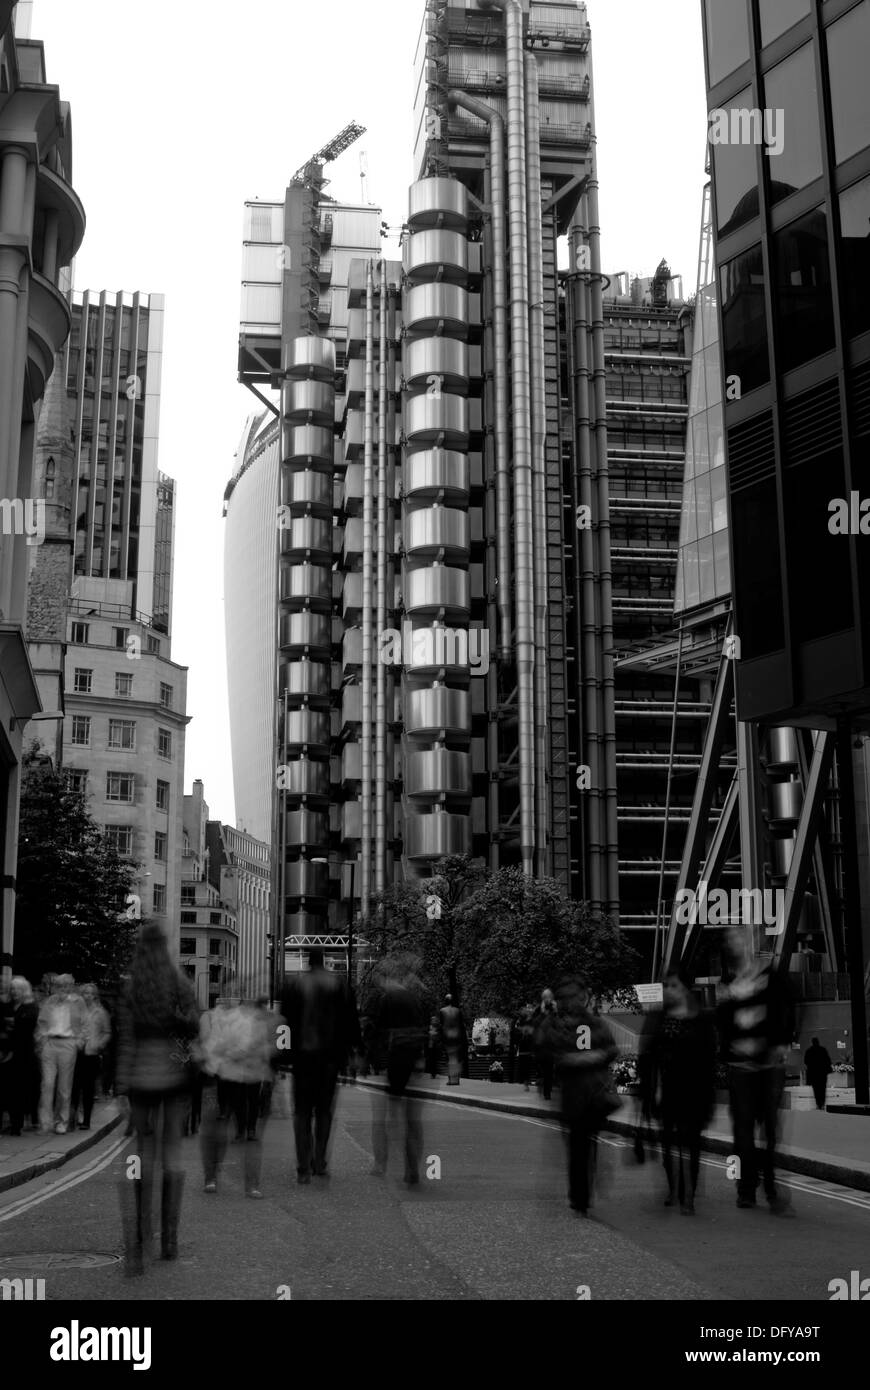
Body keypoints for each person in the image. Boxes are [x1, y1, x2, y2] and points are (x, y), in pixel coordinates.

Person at [115, 925, 200, 1275]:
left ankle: (138, 1241)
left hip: (138, 1078)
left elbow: (124, 1037)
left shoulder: (132, 985)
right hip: (171, 1072)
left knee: (140, 1158)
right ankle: (170, 1240)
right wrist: (174, 1021)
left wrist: (121, 1083)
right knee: (173, 1156)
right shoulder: (178, 982)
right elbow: (195, 1024)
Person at [717, 925, 795, 1215]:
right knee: (743, 1132)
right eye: (732, 940)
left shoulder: (772, 978)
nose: (736, 944)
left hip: (767, 1067)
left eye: (741, 938)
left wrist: (780, 1043)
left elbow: (789, 1010)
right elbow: (723, 1026)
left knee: (771, 1132)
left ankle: (772, 1187)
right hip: (741, 1069)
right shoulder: (728, 983)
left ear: (753, 942)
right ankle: (746, 1189)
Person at [536, 975, 618, 1216]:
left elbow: (611, 1048)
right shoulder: (556, 1023)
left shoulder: (594, 1023)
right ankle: (579, 1196)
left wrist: (593, 1057)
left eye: (577, 996)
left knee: (584, 1143)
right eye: (569, 997)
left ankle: (581, 1194)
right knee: (577, 1145)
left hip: (593, 1093)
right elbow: (542, 1049)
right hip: (572, 1095)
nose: (574, 1001)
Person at [640, 967, 717, 1214]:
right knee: (668, 1144)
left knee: (691, 1143)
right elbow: (648, 1056)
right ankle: (674, 1188)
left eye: (672, 985)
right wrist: (648, 1092)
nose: (667, 990)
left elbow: (709, 1061)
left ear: (684, 988)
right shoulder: (659, 1017)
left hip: (694, 1091)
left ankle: (689, 1195)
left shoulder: (701, 1019)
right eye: (665, 985)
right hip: (668, 1089)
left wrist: (710, 1100)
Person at [280, 948, 360, 1184]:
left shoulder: (294, 985)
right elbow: (350, 1022)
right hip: (329, 1059)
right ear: (324, 960)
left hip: (302, 1058)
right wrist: (351, 1057)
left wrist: (282, 1055)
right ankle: (320, 1161)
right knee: (324, 1112)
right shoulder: (339, 985)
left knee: (302, 1112)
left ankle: (303, 1166)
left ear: (307, 962)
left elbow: (284, 1024)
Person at [198, 986, 276, 1198]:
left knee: (250, 1138)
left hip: (248, 1078)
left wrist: (266, 1072)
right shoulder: (222, 1020)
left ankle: (251, 1185)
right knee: (219, 1130)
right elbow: (214, 1045)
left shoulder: (259, 1023)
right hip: (225, 1077)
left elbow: (266, 1049)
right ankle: (212, 1177)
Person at [365, 956, 428, 1184]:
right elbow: (425, 1029)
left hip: (392, 1063)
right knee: (413, 1120)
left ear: (385, 977)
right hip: (414, 1062)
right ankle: (412, 1167)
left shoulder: (386, 998)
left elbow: (375, 1033)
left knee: (384, 1118)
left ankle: (381, 1163)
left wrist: (369, 1060)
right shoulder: (415, 999)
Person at [37, 974, 86, 1134]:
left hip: (68, 1044)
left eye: (66, 986)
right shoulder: (49, 1001)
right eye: (60, 986)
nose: (63, 989)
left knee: (64, 1087)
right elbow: (41, 1022)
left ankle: (61, 1121)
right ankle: (45, 1122)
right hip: (50, 1043)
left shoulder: (78, 1002)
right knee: (47, 1084)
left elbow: (86, 1023)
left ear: (71, 987)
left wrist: (79, 1041)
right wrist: (42, 1039)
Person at [71, 984, 111, 1130]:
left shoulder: (100, 1012)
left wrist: (99, 1044)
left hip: (92, 1054)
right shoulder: (76, 1010)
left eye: (90, 993)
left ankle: (86, 1120)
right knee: (75, 1087)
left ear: (95, 995)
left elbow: (107, 1032)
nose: (87, 996)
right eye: (85, 993)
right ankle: (74, 1117)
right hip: (76, 1052)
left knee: (88, 1089)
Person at [7, 977, 40, 1134]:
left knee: (19, 1089)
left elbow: (25, 1030)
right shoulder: (10, 1006)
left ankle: (17, 1125)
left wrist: (12, 1023)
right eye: (12, 989)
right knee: (10, 1089)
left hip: (24, 1054)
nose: (13, 992)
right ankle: (14, 1122)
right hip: (10, 1053)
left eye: (17, 989)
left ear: (24, 990)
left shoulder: (30, 1008)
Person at [532, 989, 558, 1101]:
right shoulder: (538, 1009)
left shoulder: (555, 1009)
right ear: (543, 998)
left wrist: (556, 1012)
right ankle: (542, 1085)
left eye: (549, 997)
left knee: (549, 1071)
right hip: (540, 1045)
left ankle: (547, 1093)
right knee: (542, 1070)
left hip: (551, 1045)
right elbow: (534, 1024)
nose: (548, 999)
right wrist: (543, 1014)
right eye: (546, 997)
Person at [438, 994, 466, 1086]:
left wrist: (440, 1038)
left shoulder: (442, 1011)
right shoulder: (458, 1011)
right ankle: (456, 1079)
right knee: (456, 1057)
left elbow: (441, 1025)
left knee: (449, 1057)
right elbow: (461, 1025)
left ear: (445, 1001)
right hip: (457, 1035)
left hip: (447, 1036)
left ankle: (451, 1080)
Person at [804, 1037, 833, 1111]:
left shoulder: (809, 1051)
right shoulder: (822, 1050)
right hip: (822, 1073)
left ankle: (818, 1103)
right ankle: (822, 1103)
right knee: (822, 1089)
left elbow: (806, 1061)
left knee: (816, 1089)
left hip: (814, 1074)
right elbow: (828, 1060)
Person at [513, 1005, 535, 1091]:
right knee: (523, 1066)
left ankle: (526, 1082)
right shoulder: (521, 1021)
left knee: (526, 1066)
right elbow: (517, 1031)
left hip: (527, 1047)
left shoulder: (530, 1021)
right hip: (523, 1047)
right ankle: (524, 1082)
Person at [426, 1014, 440, 1079]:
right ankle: (431, 1072)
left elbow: (440, 1037)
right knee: (430, 1060)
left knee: (434, 1060)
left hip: (435, 1047)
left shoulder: (438, 1028)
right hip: (430, 1046)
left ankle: (433, 1073)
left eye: (435, 1020)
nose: (434, 1021)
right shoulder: (428, 1027)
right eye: (432, 1020)